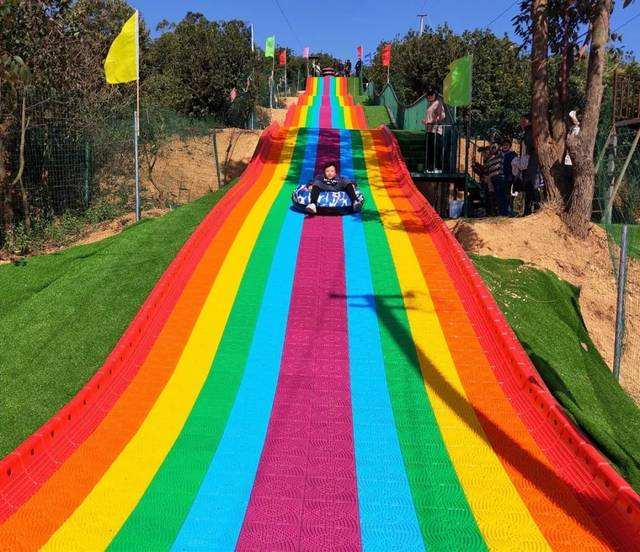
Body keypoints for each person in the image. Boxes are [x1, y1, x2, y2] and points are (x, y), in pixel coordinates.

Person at [519, 113, 540, 215]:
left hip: (532, 162)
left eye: (523, 121)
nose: (521, 123)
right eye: (520, 121)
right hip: (526, 163)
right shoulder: (527, 132)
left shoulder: (530, 131)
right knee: (528, 186)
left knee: (533, 185)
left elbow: (530, 145)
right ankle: (528, 210)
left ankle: (536, 208)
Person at [422, 89, 446, 172]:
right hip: (429, 130)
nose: (429, 96)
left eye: (431, 94)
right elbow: (431, 116)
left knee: (436, 150)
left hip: (436, 131)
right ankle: (430, 168)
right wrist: (425, 120)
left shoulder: (438, 103)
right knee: (430, 150)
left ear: (435, 95)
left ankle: (438, 168)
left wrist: (433, 121)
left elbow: (442, 116)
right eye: (428, 94)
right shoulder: (430, 104)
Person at [484, 143, 509, 216]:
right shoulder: (496, 157)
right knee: (500, 196)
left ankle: (503, 212)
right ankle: (503, 212)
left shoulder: (493, 158)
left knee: (500, 196)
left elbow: (487, 171)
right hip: (497, 178)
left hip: (496, 178)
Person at [501, 139, 517, 214]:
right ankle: (505, 209)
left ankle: (510, 209)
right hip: (502, 177)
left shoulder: (512, 154)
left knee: (510, 193)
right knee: (504, 194)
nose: (504, 146)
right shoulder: (500, 155)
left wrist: (511, 175)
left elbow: (514, 166)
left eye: (506, 145)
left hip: (510, 177)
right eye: (503, 145)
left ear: (510, 146)